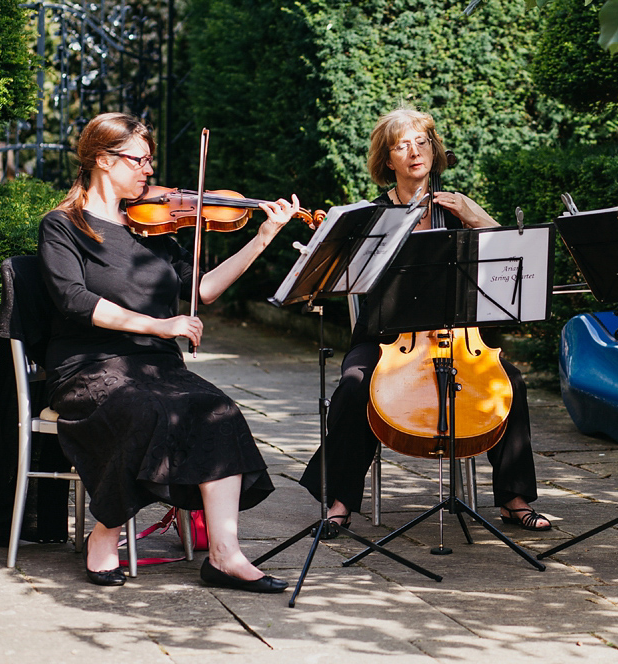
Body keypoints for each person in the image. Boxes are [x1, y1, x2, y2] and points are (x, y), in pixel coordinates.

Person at [38, 112, 302, 591]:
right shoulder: (63, 226)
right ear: (102, 159)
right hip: (90, 366)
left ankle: (225, 555)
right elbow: (74, 300)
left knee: (217, 409)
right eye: (139, 159)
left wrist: (263, 238)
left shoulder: (150, 228)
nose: (149, 171)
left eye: (149, 161)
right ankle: (105, 535)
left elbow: (201, 289)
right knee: (144, 411)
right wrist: (160, 324)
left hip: (156, 365)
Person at [298, 108, 550, 533]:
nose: (415, 151)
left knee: (512, 383)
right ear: (388, 160)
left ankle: (513, 497)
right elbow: (337, 276)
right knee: (355, 386)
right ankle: (340, 501)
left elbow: (514, 264)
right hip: (386, 338)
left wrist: (478, 218)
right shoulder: (372, 218)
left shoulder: (457, 207)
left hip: (458, 337)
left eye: (422, 141)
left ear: (435, 149)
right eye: (402, 145)